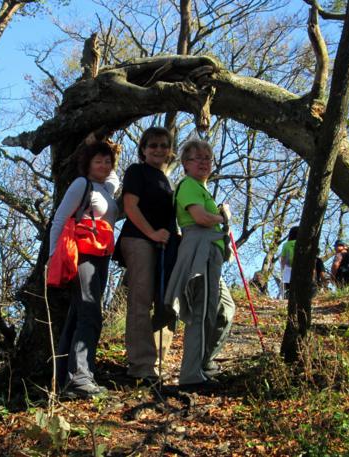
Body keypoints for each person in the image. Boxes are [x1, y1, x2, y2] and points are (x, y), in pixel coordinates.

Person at [50, 140, 120, 399]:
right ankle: (80, 378)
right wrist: (52, 256)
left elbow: (114, 178)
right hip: (83, 256)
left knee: (78, 315)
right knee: (90, 313)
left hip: (102, 257)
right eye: (98, 161)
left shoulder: (107, 190)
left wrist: (114, 150)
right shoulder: (82, 184)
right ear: (87, 164)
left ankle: (65, 380)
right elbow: (59, 218)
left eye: (107, 161)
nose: (103, 166)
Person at [164, 139, 236, 387]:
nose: (204, 162)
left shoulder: (202, 189)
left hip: (211, 254)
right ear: (185, 163)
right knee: (201, 312)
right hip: (200, 252)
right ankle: (191, 375)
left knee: (225, 310)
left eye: (207, 158)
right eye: (197, 158)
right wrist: (223, 217)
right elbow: (200, 218)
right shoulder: (188, 185)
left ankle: (205, 362)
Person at [116, 127, 178, 382]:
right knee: (141, 300)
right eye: (153, 145)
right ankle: (141, 365)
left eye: (164, 145)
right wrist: (152, 233)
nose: (159, 149)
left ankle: (157, 362)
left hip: (164, 245)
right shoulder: (136, 171)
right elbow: (130, 207)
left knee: (166, 301)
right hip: (139, 240)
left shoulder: (168, 181)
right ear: (143, 149)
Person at [279, 226, 298, 299]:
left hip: (288, 268)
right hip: (301, 268)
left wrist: (282, 270)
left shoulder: (286, 244)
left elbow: (283, 259)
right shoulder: (303, 243)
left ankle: (288, 299)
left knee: (289, 288)